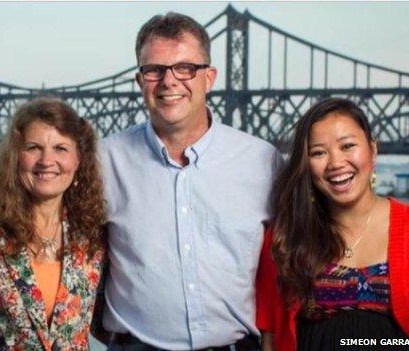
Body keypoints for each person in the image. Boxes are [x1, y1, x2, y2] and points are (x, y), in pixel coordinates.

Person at [98, 12, 283, 350]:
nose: (169, 81)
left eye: (185, 68)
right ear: (140, 81)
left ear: (209, 78)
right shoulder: (102, 161)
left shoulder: (263, 161)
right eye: (154, 70)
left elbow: (294, 259)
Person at [256, 97, 409, 350]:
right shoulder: (286, 235)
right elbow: (270, 336)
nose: (335, 163)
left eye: (347, 146)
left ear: (373, 150)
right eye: (318, 152)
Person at [0, 97, 106, 350]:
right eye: (34, 147)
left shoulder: (91, 239)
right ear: (15, 158)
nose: (47, 160)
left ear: (78, 162)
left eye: (61, 148)